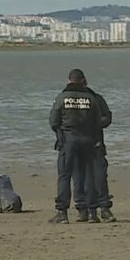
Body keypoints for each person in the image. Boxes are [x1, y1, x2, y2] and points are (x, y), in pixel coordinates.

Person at [48, 69, 108, 224]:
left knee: (65, 176)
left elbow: (53, 121)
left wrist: (62, 134)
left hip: (69, 140)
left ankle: (62, 212)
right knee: (89, 175)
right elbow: (98, 121)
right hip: (88, 140)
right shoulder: (91, 98)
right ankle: (92, 213)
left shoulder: (62, 98)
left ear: (68, 81)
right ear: (83, 81)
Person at [73, 77, 116, 222]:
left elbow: (107, 118)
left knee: (99, 176)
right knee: (80, 177)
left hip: (95, 143)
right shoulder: (69, 100)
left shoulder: (96, 98)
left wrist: (93, 125)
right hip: (77, 144)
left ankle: (104, 208)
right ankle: (83, 210)